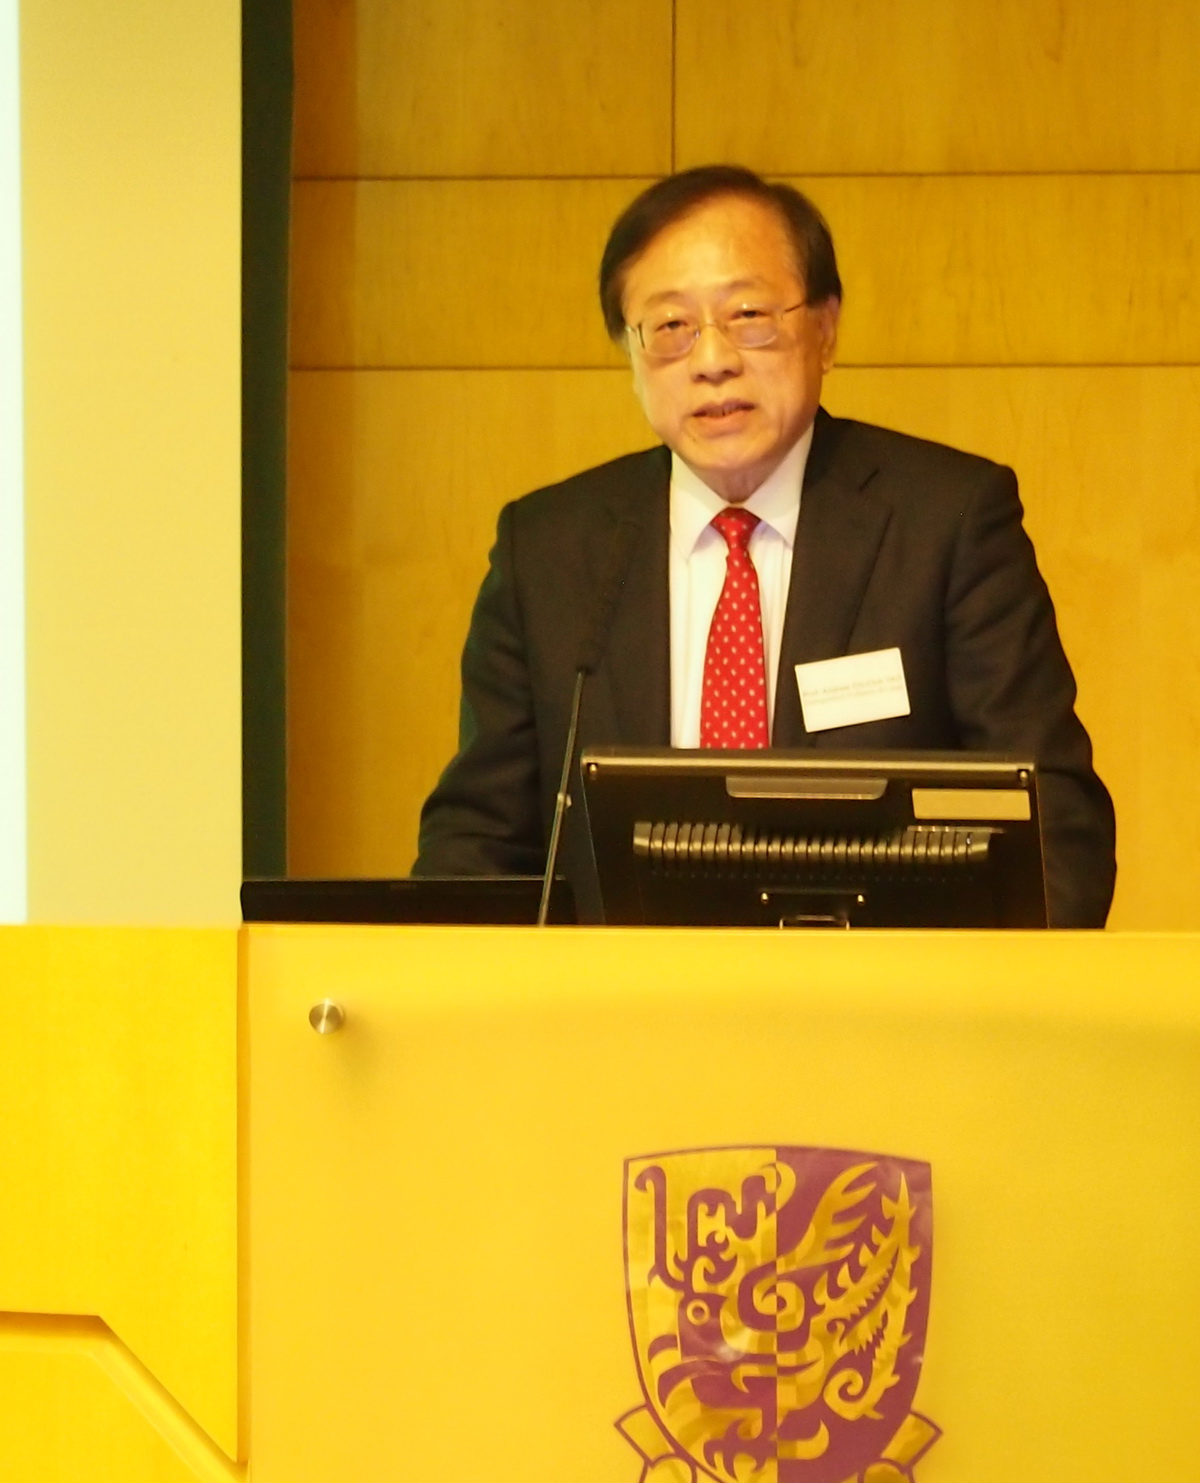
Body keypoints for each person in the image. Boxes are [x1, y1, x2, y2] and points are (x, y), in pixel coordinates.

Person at [414, 166, 1116, 927]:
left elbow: (1056, 828)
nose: (711, 359)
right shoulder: (549, 551)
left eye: (747, 314)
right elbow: (476, 844)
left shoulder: (945, 522)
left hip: (881, 994)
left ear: (825, 328)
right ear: (629, 351)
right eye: (670, 327)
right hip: (625, 999)